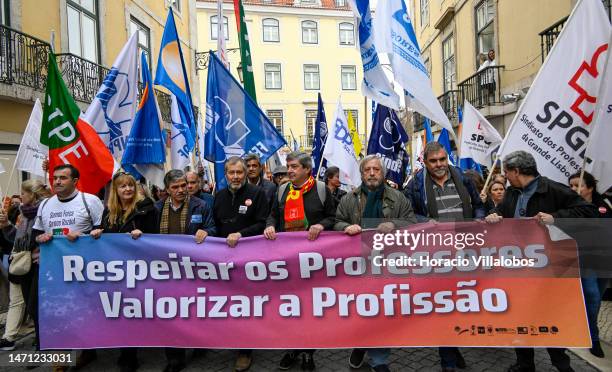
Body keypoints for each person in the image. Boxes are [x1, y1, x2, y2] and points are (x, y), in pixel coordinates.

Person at [485, 151, 597, 372]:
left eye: (506, 172)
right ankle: (525, 363)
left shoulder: (553, 189)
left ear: (516, 171)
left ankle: (561, 364)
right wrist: (494, 215)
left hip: (547, 268)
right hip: (516, 267)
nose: (505, 176)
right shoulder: (511, 193)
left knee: (547, 315)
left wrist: (555, 218)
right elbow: (500, 212)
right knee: (518, 316)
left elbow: (588, 211)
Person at [403, 142, 485, 371]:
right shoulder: (416, 184)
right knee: (444, 308)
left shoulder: (463, 178)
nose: (439, 165)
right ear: (425, 162)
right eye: (433, 161)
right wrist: (423, 222)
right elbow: (408, 214)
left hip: (465, 252)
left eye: (442, 159)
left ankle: (453, 346)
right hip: (436, 256)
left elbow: (479, 205)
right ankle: (447, 361)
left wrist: (478, 219)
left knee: (461, 307)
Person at [335, 155, 417, 372]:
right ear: (362, 174)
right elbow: (336, 221)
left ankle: (379, 360)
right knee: (362, 311)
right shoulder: (348, 199)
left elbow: (411, 222)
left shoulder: (398, 198)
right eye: (367, 170)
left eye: (376, 170)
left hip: (388, 265)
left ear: (383, 173)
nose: (372, 173)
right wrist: (345, 227)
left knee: (383, 313)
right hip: (358, 266)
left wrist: (394, 223)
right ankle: (361, 345)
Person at [264, 152, 336, 371]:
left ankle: (308, 352)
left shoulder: (322, 190)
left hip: (313, 262)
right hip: (287, 260)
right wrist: (270, 225)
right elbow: (273, 215)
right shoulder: (283, 190)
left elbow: (333, 217)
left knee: (309, 308)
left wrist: (321, 225)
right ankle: (292, 348)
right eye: (288, 166)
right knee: (290, 307)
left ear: (307, 169)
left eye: (294, 166)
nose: (290, 171)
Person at [33, 164, 105, 371]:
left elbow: (103, 231)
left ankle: (87, 351)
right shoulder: (45, 204)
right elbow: (35, 235)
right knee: (58, 312)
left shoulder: (89, 201)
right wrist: (40, 237)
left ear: (75, 181)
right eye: (55, 177)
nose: (57, 181)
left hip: (84, 269)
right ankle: (60, 361)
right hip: (54, 269)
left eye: (63, 178)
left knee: (82, 311)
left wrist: (84, 237)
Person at [90, 172, 159, 372]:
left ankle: (132, 353)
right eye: (123, 186)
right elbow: (105, 234)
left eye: (130, 185)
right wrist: (97, 232)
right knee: (121, 313)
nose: (127, 189)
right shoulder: (108, 212)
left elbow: (157, 238)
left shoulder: (146, 209)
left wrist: (144, 236)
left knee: (134, 312)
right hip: (115, 272)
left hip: (139, 271)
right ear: (115, 191)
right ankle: (126, 352)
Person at [155, 169, 216, 372]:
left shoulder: (201, 205)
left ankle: (199, 342)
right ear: (167, 190)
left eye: (183, 185)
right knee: (169, 314)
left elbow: (213, 229)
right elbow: (147, 235)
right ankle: (175, 359)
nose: (182, 190)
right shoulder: (157, 209)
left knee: (193, 310)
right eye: (176, 187)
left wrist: (206, 231)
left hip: (192, 270)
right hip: (166, 271)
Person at [212, 157, 269, 371]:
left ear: (245, 174)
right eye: (231, 173)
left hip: (249, 258)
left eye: (239, 172)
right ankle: (232, 340)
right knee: (228, 304)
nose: (235, 177)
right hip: (223, 260)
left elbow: (263, 223)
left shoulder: (257, 194)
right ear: (225, 174)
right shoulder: (218, 197)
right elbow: (214, 226)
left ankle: (245, 351)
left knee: (244, 305)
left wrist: (241, 234)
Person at [0, 180, 51, 351]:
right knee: (29, 306)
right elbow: (18, 240)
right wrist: (7, 226)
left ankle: (42, 341)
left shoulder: (45, 211)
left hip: (40, 264)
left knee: (36, 305)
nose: (21, 196)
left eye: (23, 193)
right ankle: (37, 338)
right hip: (23, 265)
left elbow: (34, 239)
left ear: (33, 194)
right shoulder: (23, 214)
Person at [568, 171, 611, 358]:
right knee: (592, 297)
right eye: (570, 186)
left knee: (596, 299)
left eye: (578, 185)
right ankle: (593, 338)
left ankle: (584, 325)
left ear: (590, 187)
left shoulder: (605, 205)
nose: (573, 189)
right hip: (584, 260)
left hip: (605, 260)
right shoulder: (570, 207)